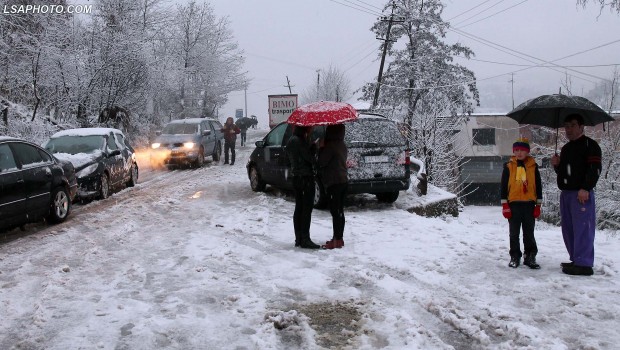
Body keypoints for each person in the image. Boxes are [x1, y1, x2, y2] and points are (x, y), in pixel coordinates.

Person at [550, 113, 602, 276]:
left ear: (581, 127)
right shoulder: (566, 149)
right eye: (566, 126)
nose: (568, 129)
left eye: (572, 125)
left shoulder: (590, 145)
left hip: (581, 194)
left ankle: (584, 263)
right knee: (569, 228)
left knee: (582, 229)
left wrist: (586, 188)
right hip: (566, 193)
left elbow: (594, 169)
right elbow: (565, 172)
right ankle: (576, 259)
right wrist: (557, 165)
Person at [500, 137, 542, 269]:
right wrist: (505, 205)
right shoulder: (509, 167)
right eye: (516, 150)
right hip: (514, 204)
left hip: (529, 204)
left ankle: (530, 256)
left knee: (529, 232)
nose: (519, 153)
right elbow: (503, 186)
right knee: (514, 233)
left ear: (527, 152)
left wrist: (538, 205)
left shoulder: (533, 167)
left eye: (522, 150)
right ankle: (515, 256)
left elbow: (538, 186)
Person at [285, 125, 320, 249]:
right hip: (305, 177)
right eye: (310, 128)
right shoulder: (300, 141)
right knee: (306, 209)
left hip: (297, 177)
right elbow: (310, 159)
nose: (312, 129)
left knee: (299, 207)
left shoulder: (292, 140)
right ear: (305, 129)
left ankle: (298, 238)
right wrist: (314, 148)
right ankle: (305, 238)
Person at [317, 124, 348, 249]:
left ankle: (336, 239)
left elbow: (321, 162)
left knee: (335, 211)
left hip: (333, 182)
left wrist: (320, 148)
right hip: (343, 180)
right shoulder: (342, 145)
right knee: (340, 211)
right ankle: (339, 238)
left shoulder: (330, 146)